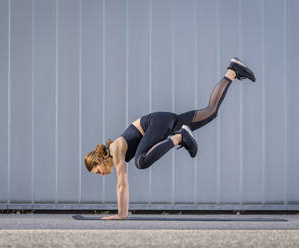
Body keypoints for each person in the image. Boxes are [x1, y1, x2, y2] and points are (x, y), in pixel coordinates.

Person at [84, 57, 255, 220]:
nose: (100, 174)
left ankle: (180, 137)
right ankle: (232, 71)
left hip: (157, 123)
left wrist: (121, 214)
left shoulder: (115, 149)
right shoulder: (116, 152)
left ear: (99, 160)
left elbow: (122, 184)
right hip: (162, 123)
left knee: (140, 162)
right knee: (211, 112)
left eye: (97, 170)